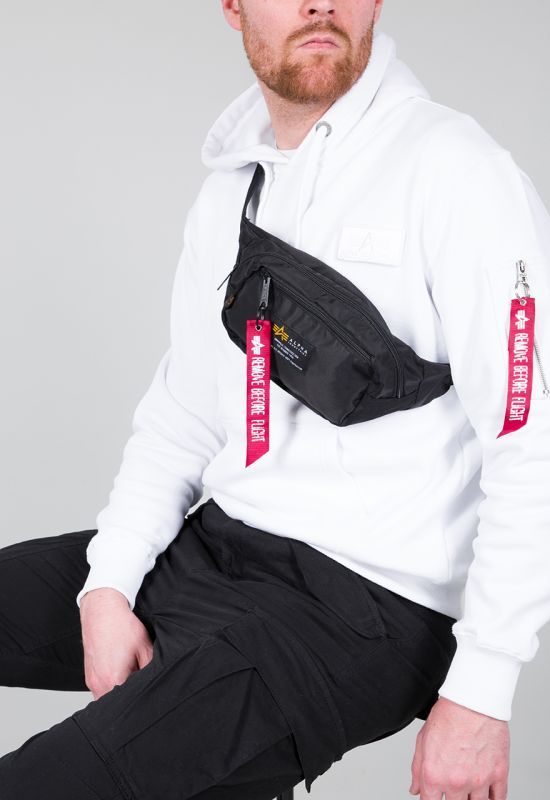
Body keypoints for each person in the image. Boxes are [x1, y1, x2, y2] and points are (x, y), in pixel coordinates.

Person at [1, 2, 549, 798]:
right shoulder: (232, 193)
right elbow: (183, 419)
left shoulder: (458, 175)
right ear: (233, 6)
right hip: (221, 545)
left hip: (365, 610)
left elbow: (534, 445)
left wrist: (481, 694)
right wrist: (108, 587)